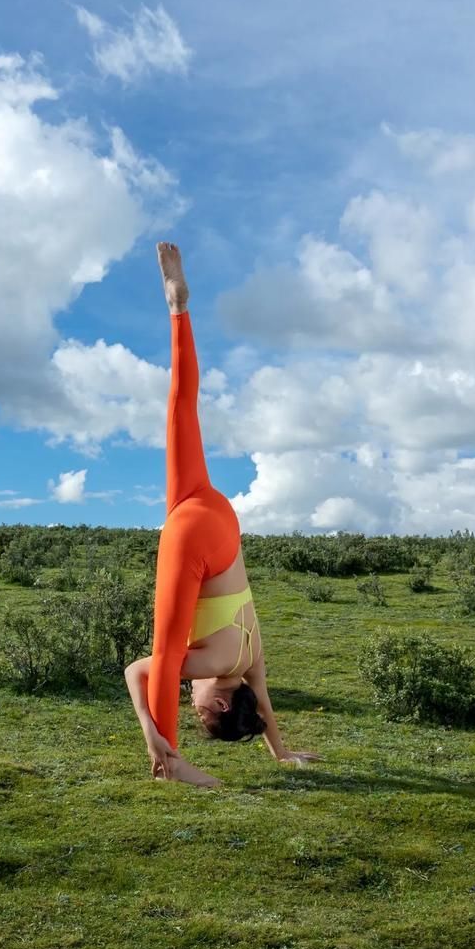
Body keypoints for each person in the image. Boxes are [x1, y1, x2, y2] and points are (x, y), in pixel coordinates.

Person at [124, 242, 321, 786]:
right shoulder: (213, 667)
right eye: (199, 710)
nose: (195, 701)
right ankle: (171, 762)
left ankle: (177, 308)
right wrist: (150, 723)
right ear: (218, 702)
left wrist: (280, 753)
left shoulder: (250, 661)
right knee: (165, 653)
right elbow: (139, 670)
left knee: (182, 411)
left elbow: (265, 706)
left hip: (220, 518)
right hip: (196, 538)